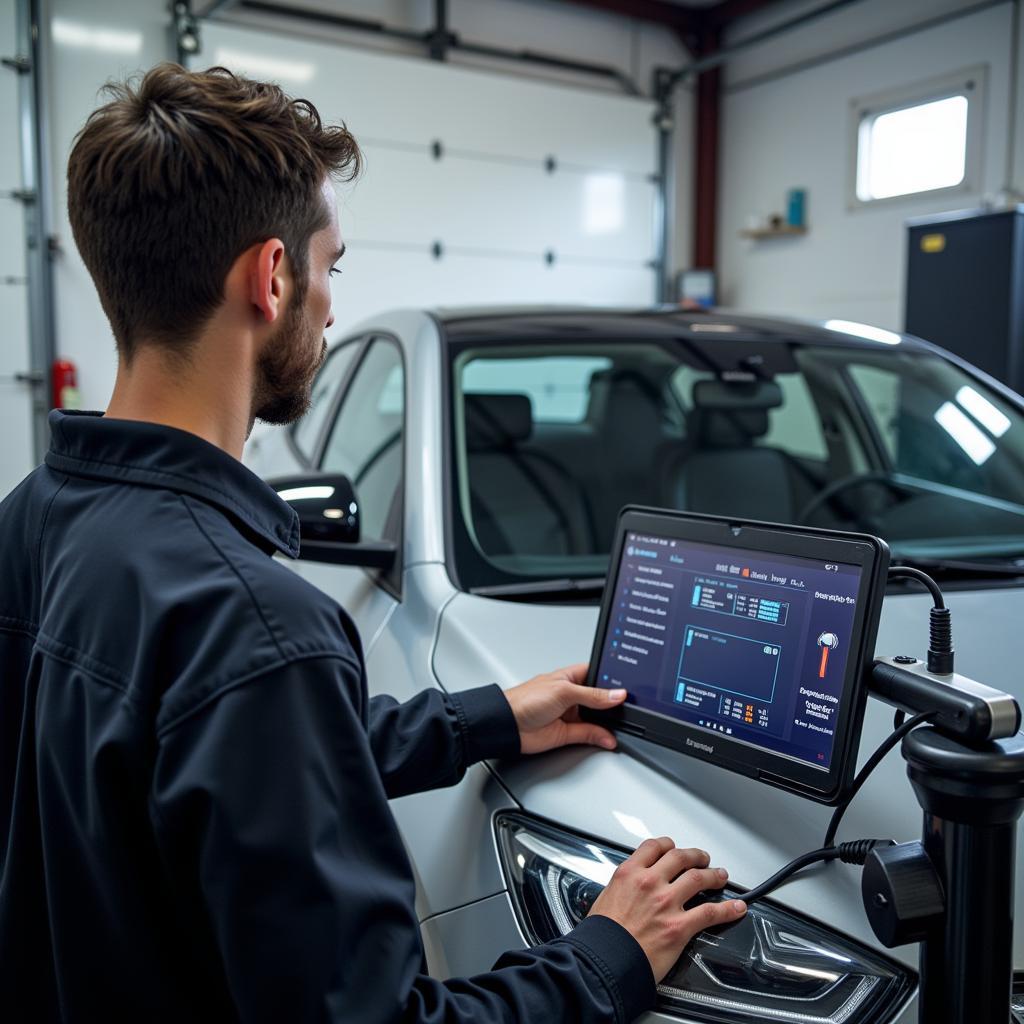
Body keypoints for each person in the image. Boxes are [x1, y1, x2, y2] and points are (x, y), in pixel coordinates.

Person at [0, 63, 745, 1023]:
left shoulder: (32, 517)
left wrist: (483, 722)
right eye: (330, 267)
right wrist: (607, 955)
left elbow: (183, 764)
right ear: (271, 278)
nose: (330, 305)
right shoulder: (257, 625)